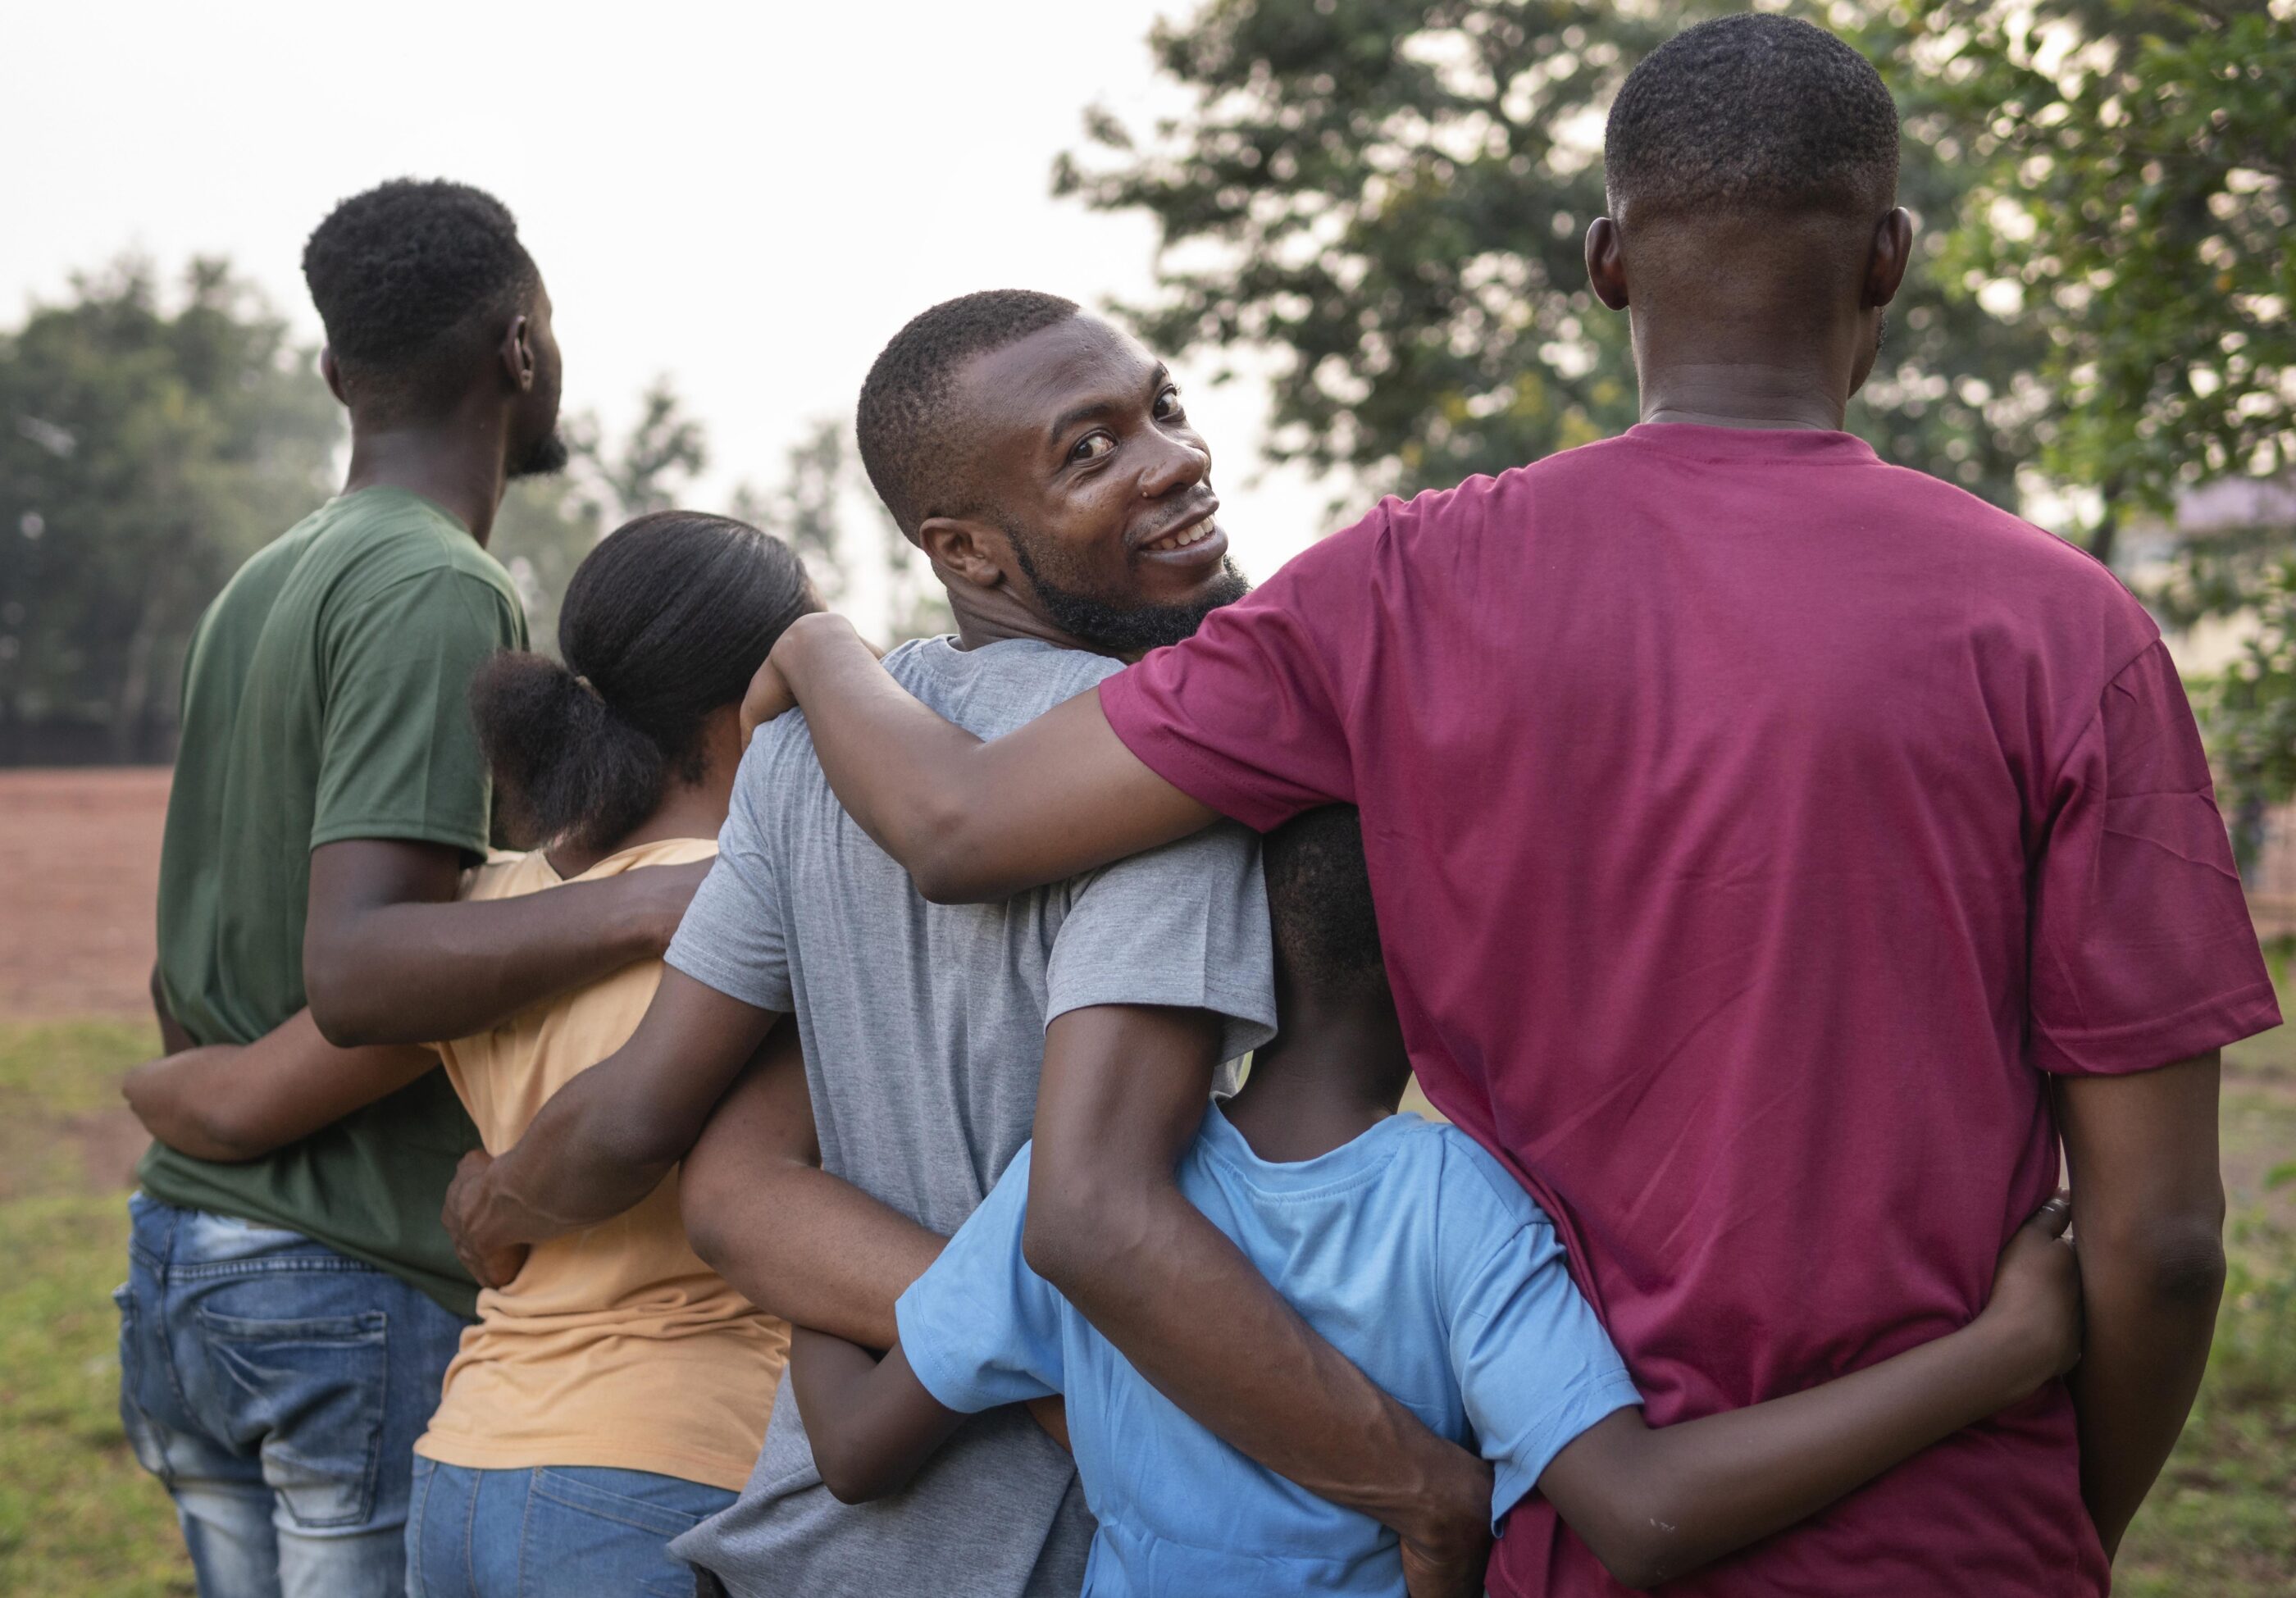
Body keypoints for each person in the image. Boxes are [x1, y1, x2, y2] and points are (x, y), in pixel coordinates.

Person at [736, 17, 2280, 1597]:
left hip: (1581, 1525)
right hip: (1965, 1532)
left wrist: (808, 635)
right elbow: (2159, 1245)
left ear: (1608, 262)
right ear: (1888, 258)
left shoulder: (1403, 589)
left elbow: (963, 826)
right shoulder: (2068, 634)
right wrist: (2040, 1531)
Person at [435, 289, 1495, 1598]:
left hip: (810, 1539)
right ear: (965, 548)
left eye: (1162, 408)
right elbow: (1100, 1219)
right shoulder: (1159, 765)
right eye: (1088, 450)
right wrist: (1423, 1492)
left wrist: (503, 1191)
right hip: (1059, 1541)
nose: (1176, 457)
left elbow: (718, 1168)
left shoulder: (812, 760)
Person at [789, 805, 2084, 1594]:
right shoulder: (1459, 1202)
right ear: (1451, 955)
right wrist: (2003, 1349)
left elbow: (852, 1448)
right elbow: (1641, 1512)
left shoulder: (1075, 1186)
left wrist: (812, 1229)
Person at [121, 180, 704, 1598]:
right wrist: (666, 903)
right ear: (520, 349)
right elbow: (371, 965)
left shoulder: (265, 581)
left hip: (192, 1246)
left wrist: (226, 1100)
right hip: (339, 1275)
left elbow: (204, 933)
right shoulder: (440, 586)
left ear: (337, 375)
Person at [125, 512, 813, 1596]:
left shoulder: (490, 911)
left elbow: (261, 1075)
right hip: (663, 1467)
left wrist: (157, 1078)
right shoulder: (754, 898)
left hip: (467, 1465)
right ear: (754, 703)